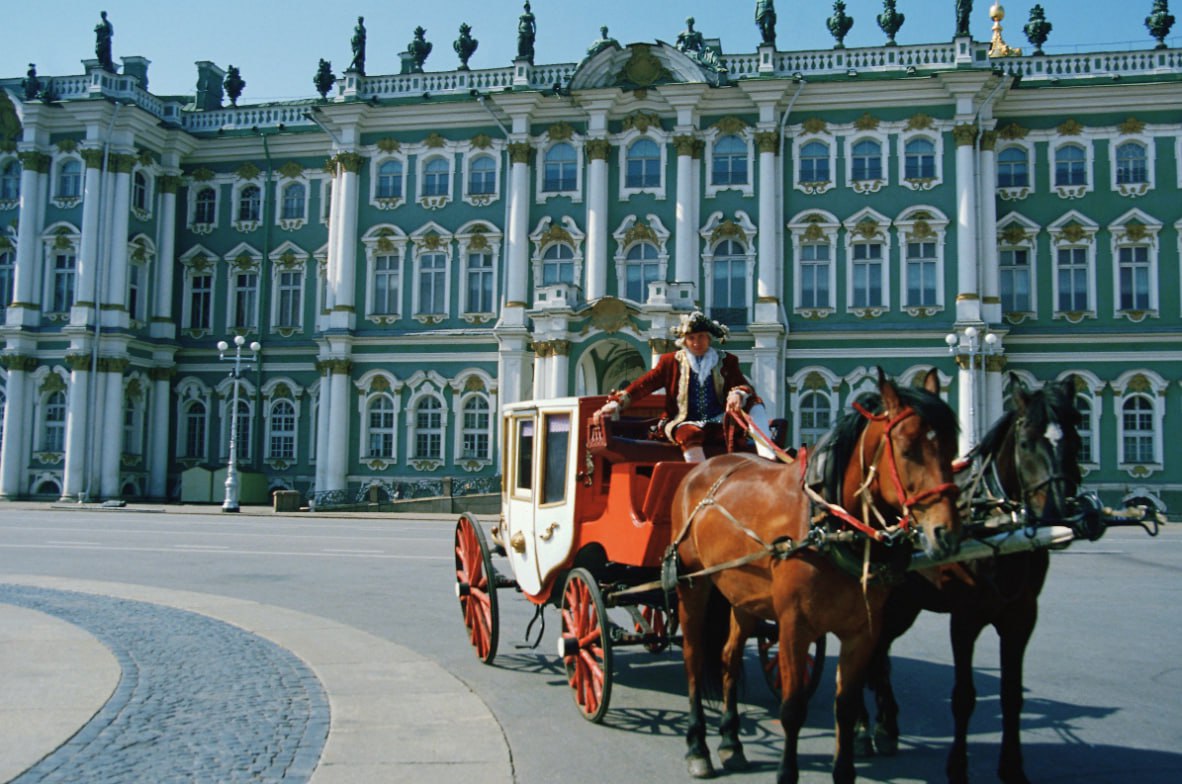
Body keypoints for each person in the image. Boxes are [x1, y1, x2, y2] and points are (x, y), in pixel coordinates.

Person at [595, 311, 777, 463]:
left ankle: (769, 458)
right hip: (682, 422)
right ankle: (699, 481)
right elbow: (644, 384)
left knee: (755, 402)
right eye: (692, 338)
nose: (697, 343)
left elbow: (741, 385)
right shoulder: (670, 362)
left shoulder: (726, 360)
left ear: (709, 338)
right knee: (691, 435)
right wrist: (616, 403)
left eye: (701, 337)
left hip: (717, 421)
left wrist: (737, 393)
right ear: (685, 341)